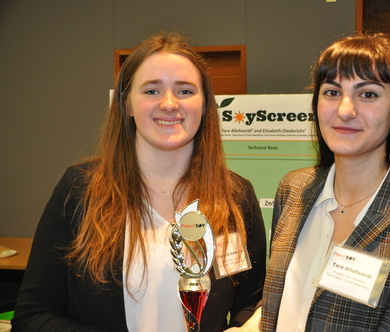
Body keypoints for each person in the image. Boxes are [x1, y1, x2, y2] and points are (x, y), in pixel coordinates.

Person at [227, 32, 390, 332]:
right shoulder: (294, 189)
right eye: (332, 92)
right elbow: (284, 302)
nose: (345, 111)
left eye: (368, 94)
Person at [12, 32, 266, 332]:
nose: (170, 104)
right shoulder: (79, 189)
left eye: (185, 91)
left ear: (206, 105)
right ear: (127, 104)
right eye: (151, 91)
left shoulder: (235, 195)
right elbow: (33, 317)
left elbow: (253, 301)